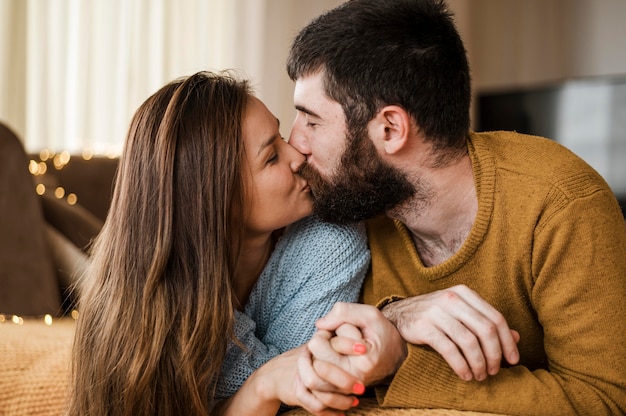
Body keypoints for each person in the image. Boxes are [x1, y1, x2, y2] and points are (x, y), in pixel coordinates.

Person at [285, 0, 626, 414]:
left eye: (311, 121)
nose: (294, 144)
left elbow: (606, 401)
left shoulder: (560, 204)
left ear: (390, 129)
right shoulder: (348, 208)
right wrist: (396, 318)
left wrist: (404, 362)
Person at [68, 71, 370, 416]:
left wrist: (262, 388)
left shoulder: (332, 239)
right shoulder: (129, 306)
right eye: (271, 157)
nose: (298, 155)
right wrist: (261, 387)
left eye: (281, 135)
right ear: (216, 201)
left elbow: (298, 391)